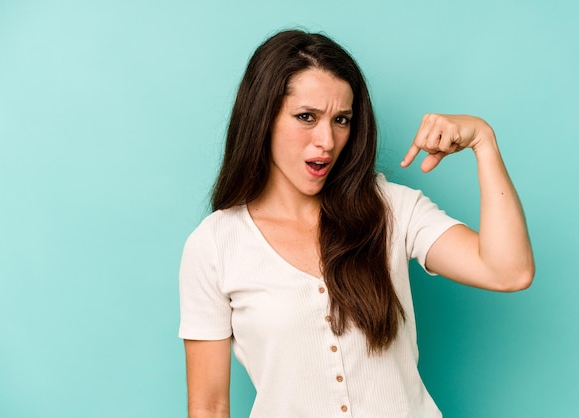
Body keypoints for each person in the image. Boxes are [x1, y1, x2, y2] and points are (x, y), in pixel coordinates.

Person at [178, 29, 534, 418]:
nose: (327, 141)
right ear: (263, 118)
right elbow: (210, 406)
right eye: (306, 117)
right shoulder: (214, 244)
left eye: (341, 120)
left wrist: (484, 141)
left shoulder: (392, 209)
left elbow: (509, 272)